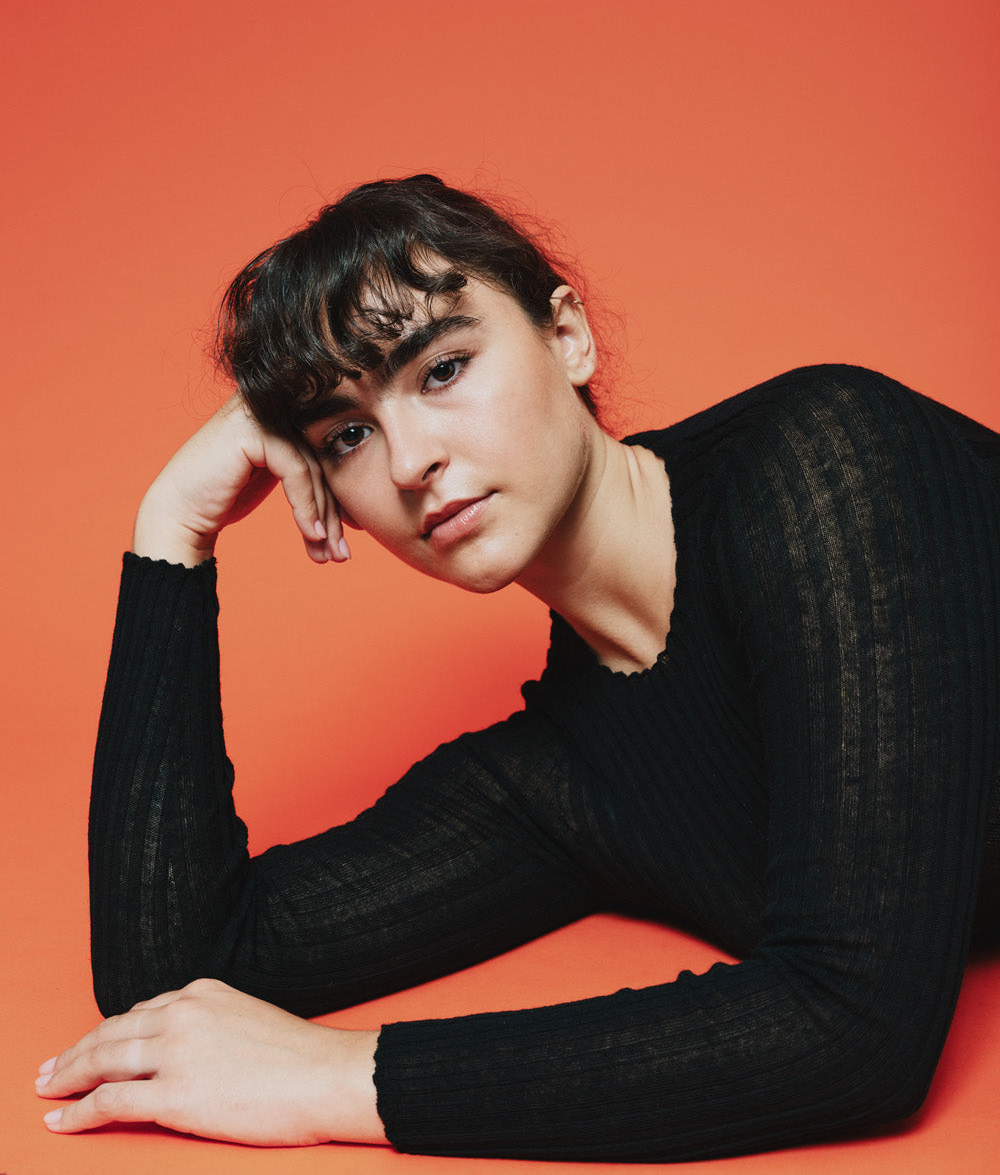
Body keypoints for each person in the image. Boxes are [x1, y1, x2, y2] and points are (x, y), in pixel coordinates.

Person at [36, 175, 999, 1160]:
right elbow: (178, 967)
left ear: (567, 337)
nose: (409, 459)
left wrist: (329, 1077)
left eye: (443, 368)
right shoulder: (567, 777)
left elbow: (855, 1024)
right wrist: (173, 527)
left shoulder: (828, 469)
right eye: (348, 433)